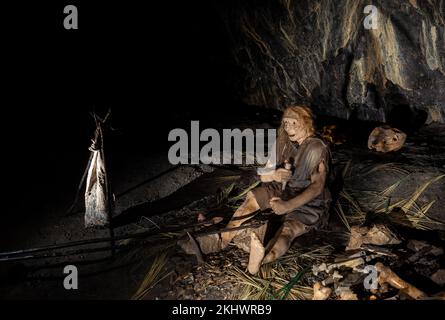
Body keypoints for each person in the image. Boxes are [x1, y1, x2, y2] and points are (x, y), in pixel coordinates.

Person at [221, 105, 332, 274]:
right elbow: (264, 173)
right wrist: (274, 175)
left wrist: (287, 206)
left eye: (294, 122)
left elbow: (317, 187)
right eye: (286, 123)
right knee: (252, 199)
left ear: (307, 122)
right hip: (282, 189)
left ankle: (260, 260)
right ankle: (223, 239)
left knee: (288, 230)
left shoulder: (316, 148)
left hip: (307, 200)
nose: (289, 127)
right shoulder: (283, 141)